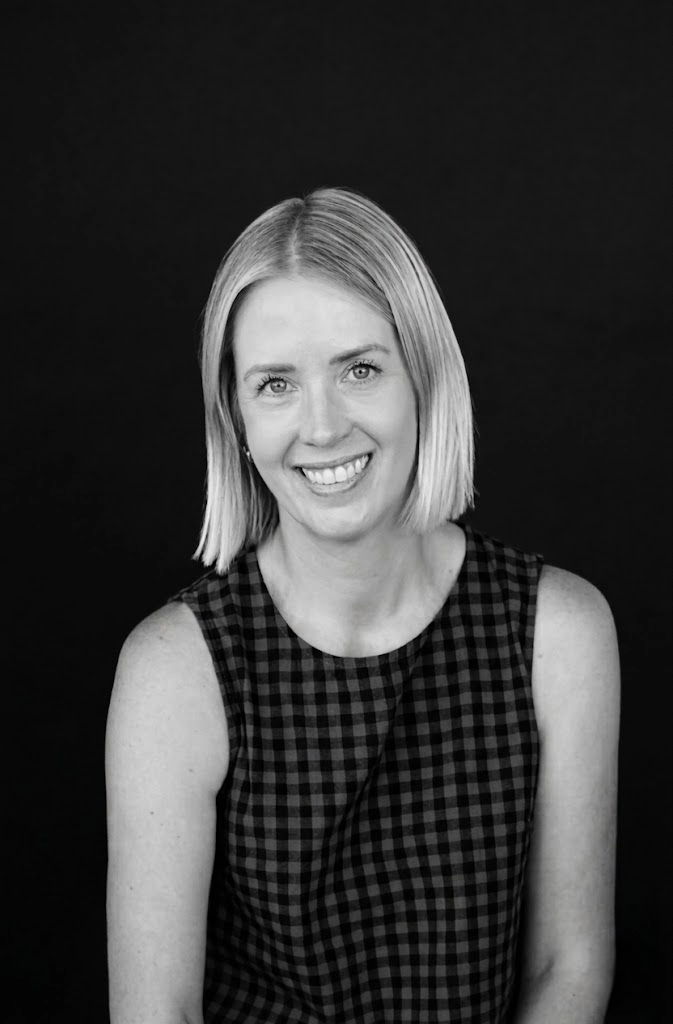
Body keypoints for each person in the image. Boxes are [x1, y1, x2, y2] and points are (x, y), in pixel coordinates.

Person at [105, 187, 620, 1024]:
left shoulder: (558, 633)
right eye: (275, 384)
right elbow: (156, 1011)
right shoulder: (175, 670)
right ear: (234, 417)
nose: (320, 427)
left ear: (423, 378)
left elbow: (568, 968)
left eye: (359, 369)